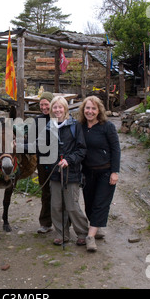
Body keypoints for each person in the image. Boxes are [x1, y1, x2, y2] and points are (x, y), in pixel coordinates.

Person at [78, 96, 121, 252]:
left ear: (99, 110)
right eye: (87, 108)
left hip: (105, 171)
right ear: (83, 110)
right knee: (89, 204)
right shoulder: (80, 127)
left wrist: (114, 172)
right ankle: (96, 226)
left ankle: (90, 237)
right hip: (87, 172)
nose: (90, 111)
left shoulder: (107, 127)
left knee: (100, 203)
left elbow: (116, 149)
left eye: (93, 108)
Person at [47, 96, 88, 247]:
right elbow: (39, 145)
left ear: (65, 109)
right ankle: (61, 233)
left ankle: (82, 233)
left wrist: (68, 160)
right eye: (55, 108)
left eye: (60, 107)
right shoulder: (49, 126)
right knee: (56, 205)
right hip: (54, 172)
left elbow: (82, 149)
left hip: (71, 172)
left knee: (72, 205)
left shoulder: (75, 126)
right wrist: (18, 144)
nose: (57, 110)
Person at [34, 92, 54, 234]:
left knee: (61, 192)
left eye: (46, 104)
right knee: (45, 192)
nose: (44, 107)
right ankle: (46, 222)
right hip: (42, 161)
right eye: (41, 104)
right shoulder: (37, 120)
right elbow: (31, 140)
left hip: (58, 161)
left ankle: (64, 223)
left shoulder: (58, 118)